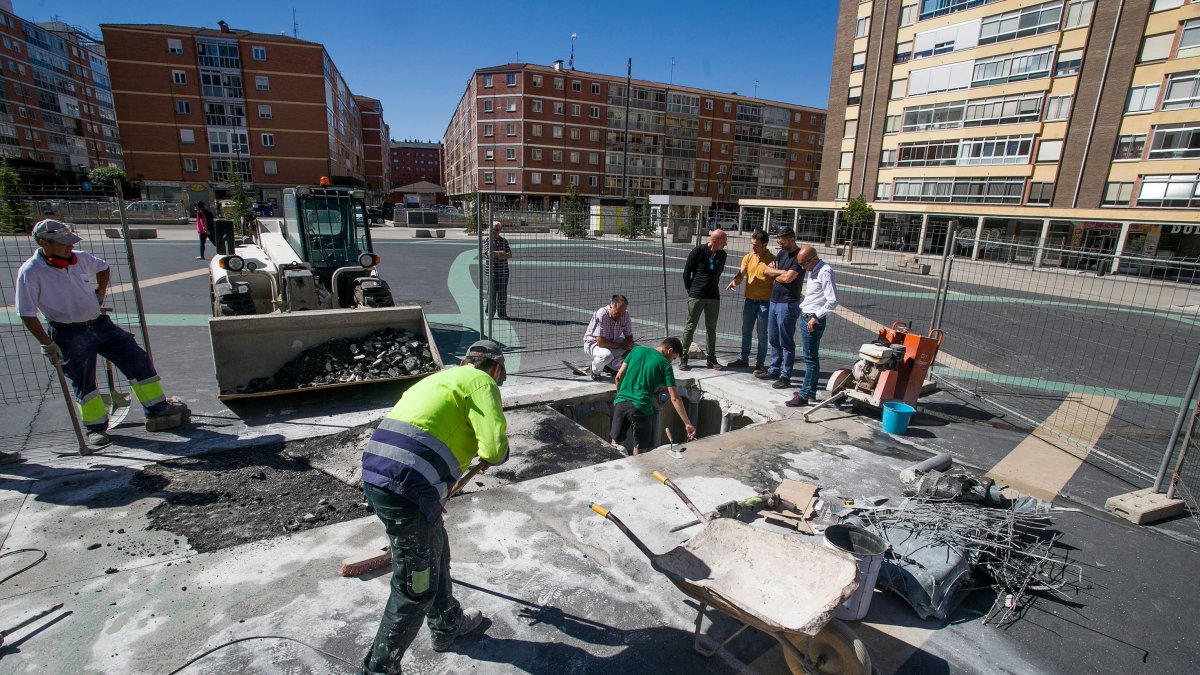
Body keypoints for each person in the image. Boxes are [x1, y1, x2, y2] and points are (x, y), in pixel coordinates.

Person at [360, 339, 511, 673]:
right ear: (496, 369)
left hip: (378, 473)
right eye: (499, 377)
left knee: (435, 548)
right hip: (408, 485)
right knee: (416, 586)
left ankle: (446, 624)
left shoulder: (439, 379)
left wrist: (430, 491)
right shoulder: (481, 381)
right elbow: (495, 449)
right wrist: (495, 451)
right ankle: (378, 668)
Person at [15, 219, 189, 450]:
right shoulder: (31, 272)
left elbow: (103, 267)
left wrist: (100, 292)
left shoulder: (80, 258)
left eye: (70, 242)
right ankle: (95, 429)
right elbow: (26, 313)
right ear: (44, 242)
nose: (69, 247)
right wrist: (47, 344)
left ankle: (157, 409)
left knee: (136, 358)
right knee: (83, 379)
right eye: (63, 243)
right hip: (68, 332)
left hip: (99, 324)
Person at [611, 337, 696, 455]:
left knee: (615, 446)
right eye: (674, 358)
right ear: (669, 350)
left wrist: (620, 396)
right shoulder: (665, 365)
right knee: (640, 451)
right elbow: (675, 397)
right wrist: (687, 423)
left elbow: (618, 377)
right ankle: (638, 472)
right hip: (641, 407)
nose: (672, 361)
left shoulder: (636, 350)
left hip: (621, 402)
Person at [787, 246, 839, 408]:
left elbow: (832, 300)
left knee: (810, 358)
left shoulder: (824, 272)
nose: (802, 268)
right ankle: (810, 391)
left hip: (813, 319)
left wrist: (816, 317)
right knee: (812, 357)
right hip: (808, 315)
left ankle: (804, 395)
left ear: (814, 259)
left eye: (804, 264)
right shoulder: (814, 270)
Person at [758, 228, 804, 390]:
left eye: (782, 242)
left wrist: (777, 274)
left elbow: (789, 278)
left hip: (788, 303)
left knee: (786, 341)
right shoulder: (782, 254)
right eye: (778, 242)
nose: (780, 245)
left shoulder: (799, 257)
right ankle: (774, 369)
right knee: (773, 337)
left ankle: (786, 375)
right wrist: (780, 272)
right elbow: (766, 270)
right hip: (774, 301)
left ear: (792, 239)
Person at [726, 229, 774, 374]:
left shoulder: (772, 260)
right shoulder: (748, 257)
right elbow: (741, 274)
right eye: (752, 244)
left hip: (764, 303)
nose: (753, 248)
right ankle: (743, 359)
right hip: (750, 301)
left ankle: (760, 363)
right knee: (746, 331)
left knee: (762, 333)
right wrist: (735, 281)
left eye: (756, 245)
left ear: (765, 244)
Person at [680, 229, 728, 370]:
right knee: (690, 326)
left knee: (711, 328)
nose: (725, 244)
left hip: (713, 296)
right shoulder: (698, 252)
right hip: (697, 295)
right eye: (724, 241)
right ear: (714, 240)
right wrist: (692, 290)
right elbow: (686, 273)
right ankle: (684, 356)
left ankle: (711, 358)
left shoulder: (722, 255)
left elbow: (717, 273)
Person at [584, 294, 633, 380]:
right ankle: (595, 369)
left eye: (623, 313)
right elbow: (601, 342)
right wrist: (622, 346)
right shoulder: (602, 314)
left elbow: (629, 337)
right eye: (618, 313)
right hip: (593, 344)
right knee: (606, 356)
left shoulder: (625, 314)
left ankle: (610, 366)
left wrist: (629, 346)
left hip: (612, 342)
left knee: (636, 350)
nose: (621, 316)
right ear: (611, 306)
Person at [482, 220, 512, 319]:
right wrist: (502, 253)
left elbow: (510, 254)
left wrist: (498, 254)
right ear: (491, 230)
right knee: (491, 294)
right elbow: (488, 253)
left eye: (498, 229)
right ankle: (489, 313)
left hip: (504, 272)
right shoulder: (487, 240)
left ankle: (502, 314)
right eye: (495, 230)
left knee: (502, 294)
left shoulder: (504, 241)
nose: (496, 231)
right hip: (492, 273)